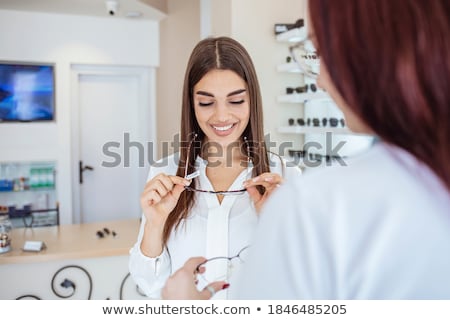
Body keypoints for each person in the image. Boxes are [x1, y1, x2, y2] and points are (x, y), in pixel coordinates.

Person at [161, 0, 450, 299]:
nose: (320, 80)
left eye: (321, 53)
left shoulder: (307, 198)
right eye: (206, 102)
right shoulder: (167, 174)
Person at [129, 36, 302, 299]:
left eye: (235, 101)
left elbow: (301, 285)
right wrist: (154, 225)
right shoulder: (164, 173)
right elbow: (149, 286)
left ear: (252, 101)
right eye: (207, 102)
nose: (221, 116)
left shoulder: (287, 178)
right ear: (192, 104)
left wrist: (277, 224)